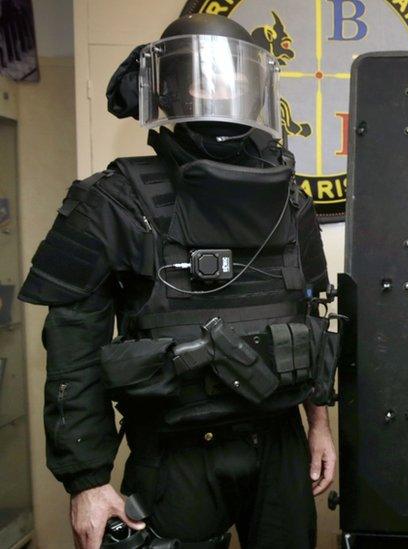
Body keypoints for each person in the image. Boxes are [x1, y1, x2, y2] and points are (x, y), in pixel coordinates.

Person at [19, 14, 337, 549]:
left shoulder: (290, 199)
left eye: (232, 77)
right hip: (175, 453)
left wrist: (319, 423)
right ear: (165, 87)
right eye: (198, 77)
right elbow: (72, 349)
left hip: (278, 444)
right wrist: (88, 482)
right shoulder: (115, 200)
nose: (216, 90)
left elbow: (308, 315)